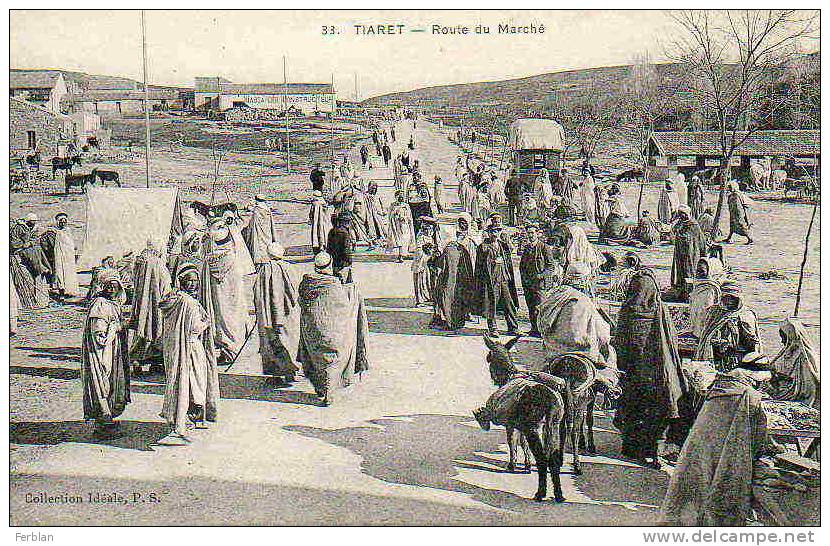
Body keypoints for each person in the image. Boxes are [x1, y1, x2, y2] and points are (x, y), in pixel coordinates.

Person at [661, 366, 779, 526]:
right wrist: (770, 449)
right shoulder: (750, 396)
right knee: (721, 488)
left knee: (693, 488)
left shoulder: (719, 388)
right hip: (725, 452)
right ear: (754, 380)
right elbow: (757, 438)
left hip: (700, 447)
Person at [612, 263, 685, 466]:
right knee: (644, 410)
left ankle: (638, 448)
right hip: (649, 374)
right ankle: (641, 449)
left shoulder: (630, 311)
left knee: (640, 409)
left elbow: (621, 343)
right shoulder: (657, 310)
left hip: (643, 374)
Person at [297, 251, 369, 406]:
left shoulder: (306, 283)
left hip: (311, 329)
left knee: (316, 359)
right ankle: (329, 393)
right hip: (331, 331)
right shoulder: (333, 284)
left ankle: (321, 389)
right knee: (332, 360)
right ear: (329, 265)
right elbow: (343, 306)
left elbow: (302, 302)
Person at [160, 263, 219, 438]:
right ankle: (188, 417)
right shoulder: (188, 302)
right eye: (189, 281)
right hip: (191, 348)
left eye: (195, 281)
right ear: (181, 281)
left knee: (183, 381)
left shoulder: (174, 299)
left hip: (175, 348)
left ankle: (184, 416)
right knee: (194, 382)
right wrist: (206, 323)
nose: (192, 284)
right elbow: (194, 328)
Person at [81, 270, 131, 438]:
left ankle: (107, 415)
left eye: (114, 286)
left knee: (111, 382)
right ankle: (103, 419)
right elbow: (99, 335)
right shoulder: (100, 304)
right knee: (103, 382)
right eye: (108, 286)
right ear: (103, 287)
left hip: (112, 350)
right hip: (102, 352)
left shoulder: (111, 303)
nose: (111, 289)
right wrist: (116, 328)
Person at [200, 221, 250, 364]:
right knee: (234, 319)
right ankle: (232, 350)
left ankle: (227, 350)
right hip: (233, 299)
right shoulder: (233, 258)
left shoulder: (209, 260)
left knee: (221, 321)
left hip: (219, 301)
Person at [253, 242, 300, 385]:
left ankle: (276, 375)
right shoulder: (289, 268)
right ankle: (291, 372)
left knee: (271, 342)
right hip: (287, 314)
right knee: (289, 341)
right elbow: (294, 292)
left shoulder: (263, 270)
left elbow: (257, 293)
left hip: (268, 315)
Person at [695, 281, 761, 371]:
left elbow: (752, 343)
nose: (729, 301)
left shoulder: (746, 315)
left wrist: (730, 344)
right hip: (715, 354)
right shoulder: (714, 312)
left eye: (732, 298)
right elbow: (705, 333)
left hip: (737, 357)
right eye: (726, 298)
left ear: (738, 299)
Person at [129, 241, 172, 371]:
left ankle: (138, 359)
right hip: (157, 303)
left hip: (142, 302)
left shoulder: (140, 262)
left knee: (143, 328)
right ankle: (154, 360)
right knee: (156, 329)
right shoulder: (158, 264)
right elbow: (166, 285)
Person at [474, 223, 520, 337]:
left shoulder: (503, 245)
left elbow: (509, 259)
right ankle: (493, 328)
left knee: (509, 304)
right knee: (491, 304)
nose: (495, 234)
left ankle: (513, 327)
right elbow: (479, 266)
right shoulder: (483, 247)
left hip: (504, 279)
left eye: (497, 231)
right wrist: (493, 262)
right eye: (493, 232)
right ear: (488, 233)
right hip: (491, 280)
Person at [766, 318, 820, 408]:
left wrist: (781, 377)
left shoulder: (805, 357)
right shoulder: (787, 350)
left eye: (783, 338)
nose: (782, 341)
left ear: (791, 336)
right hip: (780, 385)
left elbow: (809, 385)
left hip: (793, 391)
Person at [519, 224, 559, 337]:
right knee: (531, 307)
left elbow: (551, 266)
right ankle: (534, 329)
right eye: (528, 233)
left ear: (537, 234)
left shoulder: (544, 247)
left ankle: (543, 331)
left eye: (532, 233)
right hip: (528, 284)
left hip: (540, 284)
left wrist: (541, 276)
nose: (530, 235)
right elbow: (522, 267)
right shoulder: (527, 248)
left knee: (541, 308)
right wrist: (524, 279)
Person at [432, 229, 476, 330]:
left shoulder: (448, 249)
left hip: (448, 280)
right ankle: (459, 321)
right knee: (458, 299)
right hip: (461, 280)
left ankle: (449, 322)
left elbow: (440, 267)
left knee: (447, 299)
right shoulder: (463, 249)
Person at [10, 213, 51, 309]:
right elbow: (14, 241)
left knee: (37, 250)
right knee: (32, 252)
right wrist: (24, 244)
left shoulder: (34, 229)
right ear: (27, 221)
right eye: (31, 222)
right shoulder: (18, 228)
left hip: (30, 248)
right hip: (20, 250)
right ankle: (40, 267)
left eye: (34, 223)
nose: (32, 224)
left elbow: (36, 239)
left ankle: (43, 267)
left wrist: (30, 243)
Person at [669, 205, 707, 302]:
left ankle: (689, 294)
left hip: (691, 253)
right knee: (680, 271)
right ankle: (681, 292)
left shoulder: (693, 225)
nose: (682, 216)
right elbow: (674, 230)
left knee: (689, 271)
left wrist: (681, 236)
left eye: (684, 214)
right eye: (680, 214)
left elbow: (697, 239)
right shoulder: (680, 223)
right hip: (680, 252)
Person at [44, 212, 79, 300]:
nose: (63, 223)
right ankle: (61, 291)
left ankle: (68, 291)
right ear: (58, 222)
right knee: (60, 273)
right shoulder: (55, 231)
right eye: (61, 221)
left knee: (68, 273)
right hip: (60, 255)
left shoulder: (68, 231)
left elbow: (70, 243)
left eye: (64, 221)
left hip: (68, 256)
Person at [688, 257, 724, 338]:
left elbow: (706, 311)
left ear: (710, 272)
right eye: (697, 270)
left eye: (702, 271)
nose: (698, 273)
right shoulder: (698, 285)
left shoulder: (710, 289)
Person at [242, 194, 277, 265]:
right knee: (267, 244)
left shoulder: (256, 210)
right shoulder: (266, 209)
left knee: (260, 246)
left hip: (259, 232)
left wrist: (248, 207)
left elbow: (250, 217)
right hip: (267, 231)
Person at [386, 190, 416, 262]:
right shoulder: (393, 205)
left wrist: (404, 218)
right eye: (399, 196)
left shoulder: (406, 206)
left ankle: (402, 255)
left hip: (404, 225)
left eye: (402, 196)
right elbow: (390, 216)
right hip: (396, 226)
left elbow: (409, 216)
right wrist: (396, 217)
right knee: (397, 240)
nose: (401, 197)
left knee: (404, 240)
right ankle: (398, 255)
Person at [327, 212, 354, 283]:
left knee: (337, 281)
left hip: (335, 261)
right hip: (344, 262)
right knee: (347, 283)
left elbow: (328, 248)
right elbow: (346, 249)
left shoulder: (332, 231)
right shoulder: (344, 233)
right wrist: (349, 260)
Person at [724, 180, 753, 244]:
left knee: (741, 225)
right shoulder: (731, 195)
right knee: (732, 226)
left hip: (738, 213)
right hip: (733, 212)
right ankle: (729, 237)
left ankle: (749, 238)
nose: (729, 188)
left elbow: (738, 205)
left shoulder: (737, 195)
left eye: (730, 187)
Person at [309, 190, 332, 254]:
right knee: (324, 234)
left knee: (317, 234)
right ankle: (324, 247)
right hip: (324, 222)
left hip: (317, 223)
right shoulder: (324, 203)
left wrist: (311, 219)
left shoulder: (314, 203)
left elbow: (311, 214)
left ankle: (319, 248)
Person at [412, 240, 434, 306]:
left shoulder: (423, 252)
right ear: (428, 249)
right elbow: (421, 263)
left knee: (422, 284)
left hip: (420, 269)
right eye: (431, 250)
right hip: (418, 270)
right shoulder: (420, 253)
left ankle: (424, 298)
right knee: (418, 285)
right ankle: (419, 302)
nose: (431, 252)